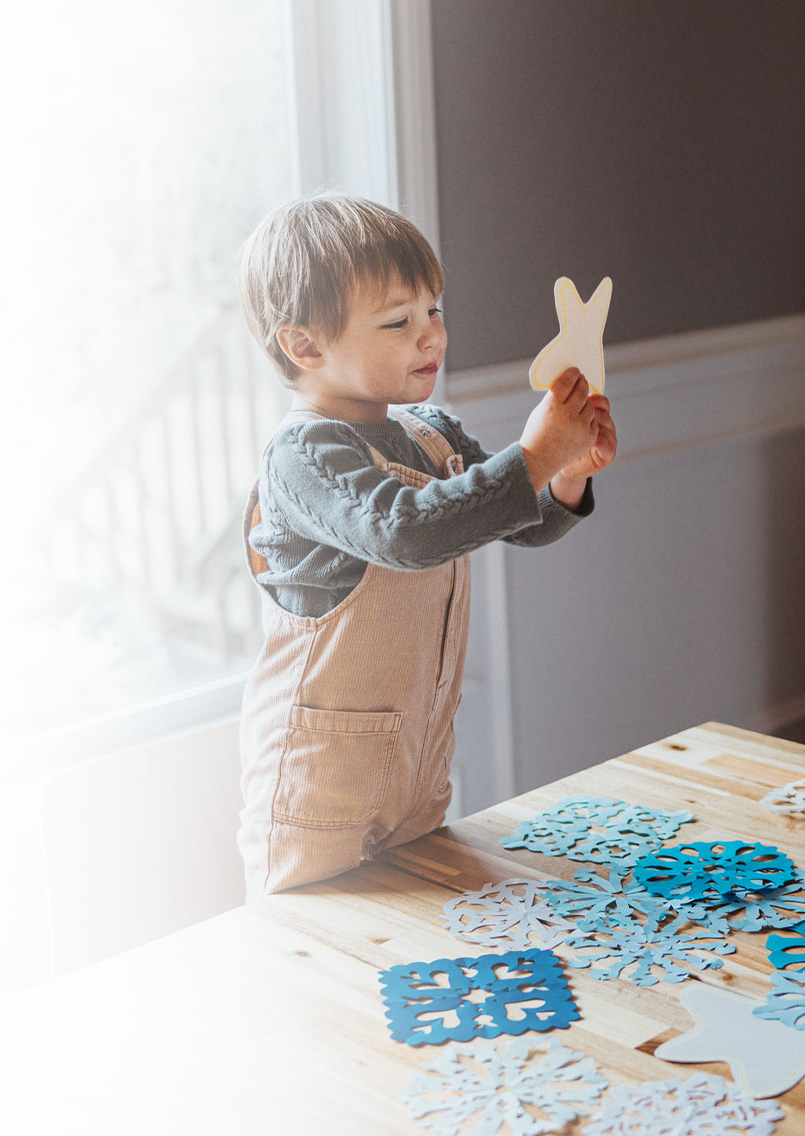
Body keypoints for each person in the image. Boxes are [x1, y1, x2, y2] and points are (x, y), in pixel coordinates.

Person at [232, 193, 615, 895]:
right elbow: (404, 531)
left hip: (416, 769)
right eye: (398, 321)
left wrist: (561, 477)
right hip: (319, 787)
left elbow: (512, 519)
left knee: (410, 946)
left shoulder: (431, 433)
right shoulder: (303, 455)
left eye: (434, 310)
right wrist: (531, 454)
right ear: (306, 345)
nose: (432, 336)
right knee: (318, 961)